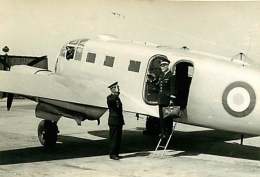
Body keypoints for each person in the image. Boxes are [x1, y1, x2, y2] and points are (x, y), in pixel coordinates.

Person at [157, 59, 177, 138]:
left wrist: (171, 100)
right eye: (161, 66)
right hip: (161, 99)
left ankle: (167, 131)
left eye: (163, 66)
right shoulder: (162, 75)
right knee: (161, 117)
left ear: (167, 66)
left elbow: (173, 89)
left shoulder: (171, 76)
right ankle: (162, 132)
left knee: (168, 117)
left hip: (167, 99)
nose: (162, 67)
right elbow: (160, 86)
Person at [107, 82, 125, 160]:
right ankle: (112, 154)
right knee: (114, 138)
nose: (118, 89)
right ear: (112, 89)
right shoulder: (110, 97)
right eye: (116, 88)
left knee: (118, 138)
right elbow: (112, 102)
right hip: (113, 121)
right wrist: (116, 94)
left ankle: (116, 153)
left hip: (119, 121)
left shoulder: (117, 97)